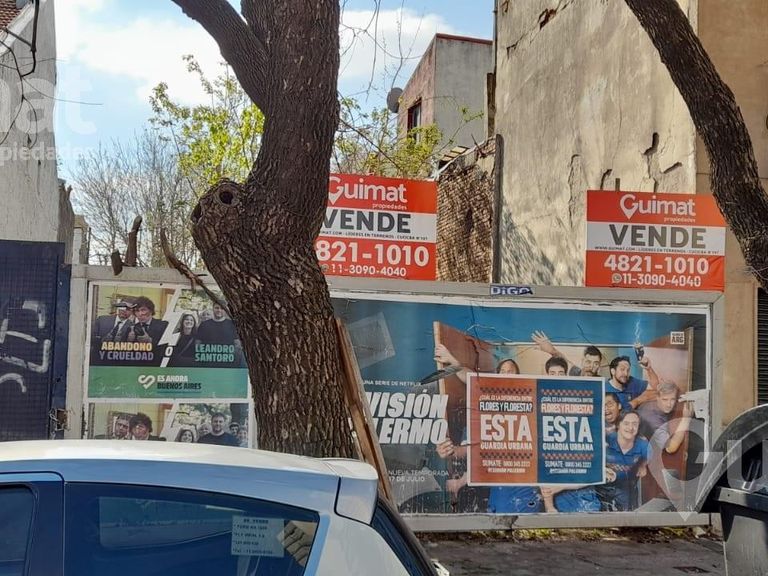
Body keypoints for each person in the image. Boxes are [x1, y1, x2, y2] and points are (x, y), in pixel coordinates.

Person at [598, 411, 650, 511]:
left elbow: (648, 458)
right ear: (618, 425)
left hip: (625, 488)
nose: (630, 428)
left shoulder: (643, 443)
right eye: (626, 423)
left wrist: (643, 464)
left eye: (635, 424)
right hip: (601, 487)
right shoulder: (605, 439)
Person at [637, 380, 693, 455]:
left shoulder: (655, 403)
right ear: (657, 397)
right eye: (665, 399)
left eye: (672, 399)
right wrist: (686, 420)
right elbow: (670, 448)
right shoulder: (653, 420)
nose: (669, 404)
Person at [531, 331, 603, 377]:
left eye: (596, 363)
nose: (591, 367)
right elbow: (564, 359)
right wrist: (552, 350)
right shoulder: (575, 372)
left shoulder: (601, 382)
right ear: (582, 361)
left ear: (599, 366)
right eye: (588, 362)